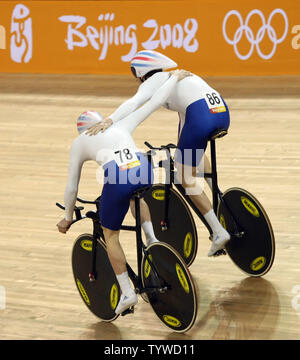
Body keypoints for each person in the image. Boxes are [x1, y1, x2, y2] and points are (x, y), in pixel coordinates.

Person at [56, 69, 191, 315]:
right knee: (135, 195)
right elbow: (156, 102)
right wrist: (174, 77)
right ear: (100, 120)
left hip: (118, 177)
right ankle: (152, 239)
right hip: (143, 168)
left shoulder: (80, 142)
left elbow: (72, 185)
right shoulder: (118, 123)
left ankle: (127, 293)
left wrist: (67, 217)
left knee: (111, 235)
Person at [86, 49, 231, 257]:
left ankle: (218, 232)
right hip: (221, 113)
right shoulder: (178, 75)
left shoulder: (156, 80)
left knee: (183, 177)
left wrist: (110, 119)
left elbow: (134, 103)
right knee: (191, 153)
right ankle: (216, 192)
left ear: (143, 73)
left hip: (200, 118)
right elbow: (185, 120)